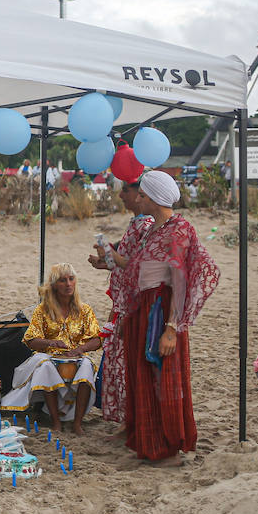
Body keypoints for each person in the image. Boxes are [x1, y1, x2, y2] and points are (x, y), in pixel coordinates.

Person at [113, 170, 219, 466]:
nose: (139, 200)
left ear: (155, 198)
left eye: (142, 195)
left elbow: (180, 280)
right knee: (144, 377)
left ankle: (167, 448)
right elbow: (139, 268)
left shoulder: (177, 230)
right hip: (143, 308)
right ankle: (149, 443)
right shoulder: (153, 230)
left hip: (161, 312)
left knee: (162, 377)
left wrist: (172, 328)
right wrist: (108, 261)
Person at [4, 263, 103, 435]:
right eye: (63, 280)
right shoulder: (43, 310)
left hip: (77, 357)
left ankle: (77, 423)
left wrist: (80, 349)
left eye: (71, 279)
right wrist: (51, 343)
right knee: (45, 367)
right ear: (54, 285)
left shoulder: (85, 310)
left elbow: (97, 339)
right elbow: (31, 340)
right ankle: (56, 422)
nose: (68, 284)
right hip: (50, 357)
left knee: (87, 366)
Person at [87, 178, 151, 429]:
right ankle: (128, 424)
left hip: (133, 305)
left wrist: (115, 258)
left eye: (126, 190)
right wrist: (108, 263)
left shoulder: (147, 226)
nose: (122, 195)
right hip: (123, 303)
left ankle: (133, 424)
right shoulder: (136, 224)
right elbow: (128, 264)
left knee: (128, 364)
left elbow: (142, 268)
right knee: (120, 362)